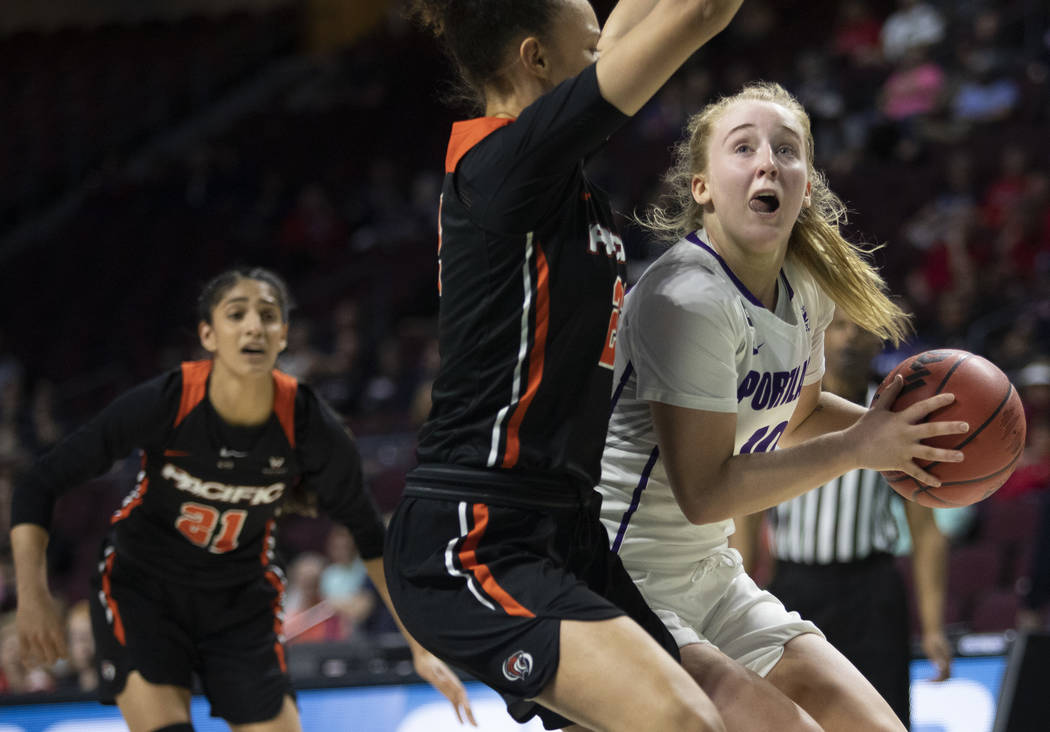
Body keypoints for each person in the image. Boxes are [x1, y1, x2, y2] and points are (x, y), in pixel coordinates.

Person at [383, 1, 745, 730]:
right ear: (534, 61)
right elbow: (700, 11)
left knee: (721, 714)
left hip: (564, 529)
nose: (604, 62)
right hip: (476, 530)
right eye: (589, 52)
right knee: (685, 722)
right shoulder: (508, 160)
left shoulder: (541, 168)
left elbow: (624, 31)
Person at [596, 81, 969, 731]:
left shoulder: (806, 288)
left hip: (712, 575)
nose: (768, 161)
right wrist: (862, 446)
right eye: (743, 148)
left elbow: (797, 418)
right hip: (621, 580)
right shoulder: (683, 298)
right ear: (701, 188)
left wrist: (912, 438)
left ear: (806, 183)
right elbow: (706, 494)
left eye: (786, 150)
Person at [11, 267, 474, 731]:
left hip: (239, 599)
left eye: (268, 315)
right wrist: (33, 598)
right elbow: (39, 483)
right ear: (208, 334)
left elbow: (371, 537)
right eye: (237, 314)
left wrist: (419, 647)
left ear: (283, 337)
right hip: (144, 590)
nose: (254, 325)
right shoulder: (166, 402)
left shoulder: (310, 424)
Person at [731, 308, 952, 728]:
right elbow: (748, 515)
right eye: (839, 326)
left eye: (862, 328)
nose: (850, 339)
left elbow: (926, 533)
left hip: (872, 591)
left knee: (883, 718)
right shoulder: (781, 408)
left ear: (879, 339)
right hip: (794, 590)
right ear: (817, 336)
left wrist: (934, 627)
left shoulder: (900, 418)